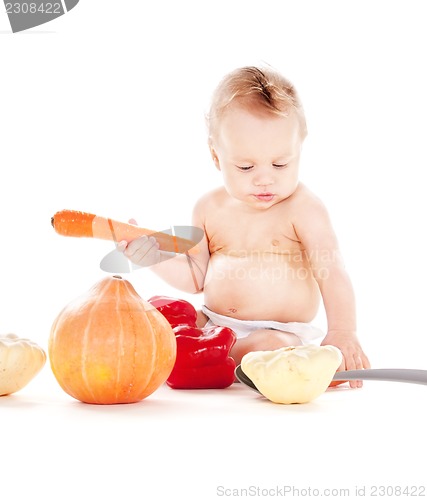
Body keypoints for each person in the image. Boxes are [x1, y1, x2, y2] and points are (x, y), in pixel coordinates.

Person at [119, 65, 370, 388]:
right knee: (158, 313)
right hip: (213, 323)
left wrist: (342, 332)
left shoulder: (303, 208)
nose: (264, 178)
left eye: (281, 164)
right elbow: (196, 277)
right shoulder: (209, 207)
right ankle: (202, 354)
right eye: (245, 166)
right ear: (216, 156)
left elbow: (333, 272)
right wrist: (152, 256)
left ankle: (207, 359)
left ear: (299, 151)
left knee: (272, 347)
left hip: (277, 333)